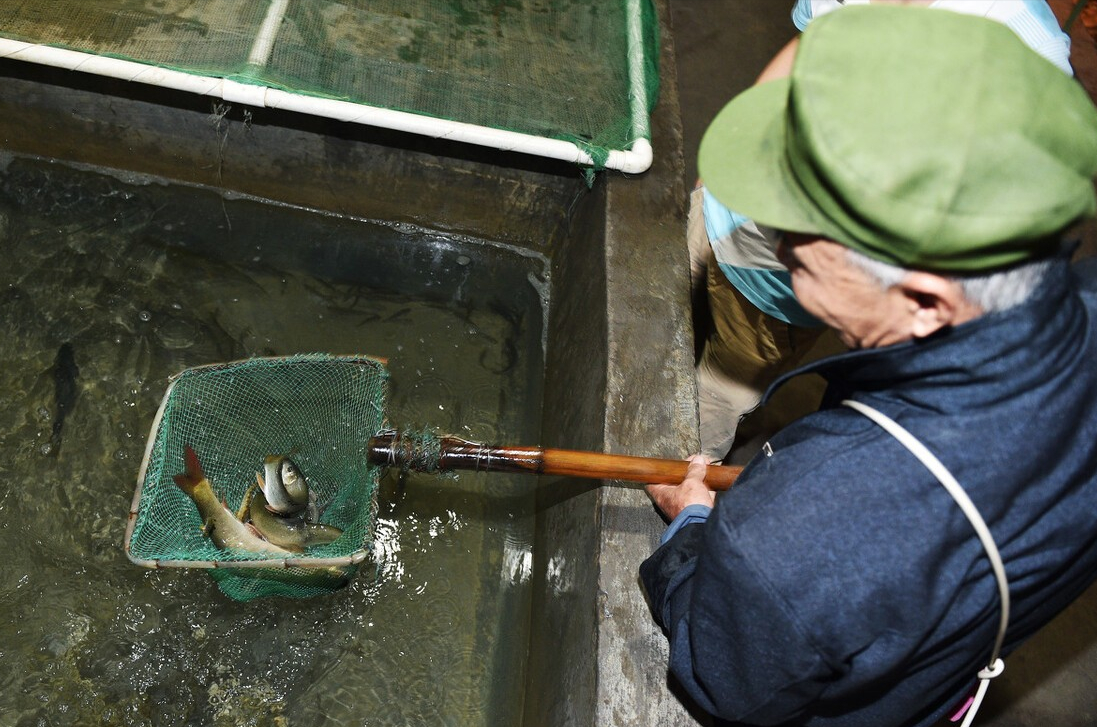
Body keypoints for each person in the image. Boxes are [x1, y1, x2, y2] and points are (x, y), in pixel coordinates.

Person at [645, 6, 1097, 726]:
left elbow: (723, 674)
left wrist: (692, 534)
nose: (781, 256)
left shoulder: (793, 534)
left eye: (796, 249)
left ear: (922, 299)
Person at [692, 0, 1074, 462]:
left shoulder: (1024, 48)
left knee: (715, 393)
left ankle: (686, 462)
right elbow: (806, 47)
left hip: (776, 283)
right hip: (729, 213)